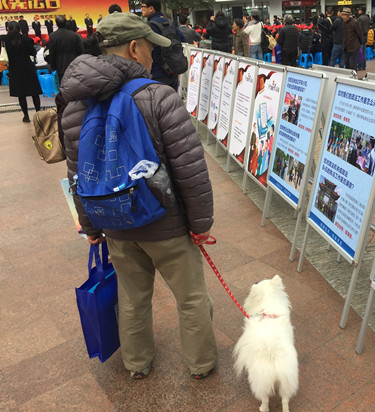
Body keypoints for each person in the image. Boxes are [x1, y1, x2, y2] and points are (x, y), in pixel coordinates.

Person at [60, 11, 218, 381]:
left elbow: (76, 174)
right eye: (149, 48)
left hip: (113, 221)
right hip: (166, 223)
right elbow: (190, 170)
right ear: (134, 48)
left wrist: (90, 225)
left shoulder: (75, 105)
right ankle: (201, 364)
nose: (153, 56)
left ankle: (136, 363)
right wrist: (200, 224)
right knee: (192, 298)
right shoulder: (160, 97)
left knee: (132, 298)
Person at [1, 21, 42, 122]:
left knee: (21, 94)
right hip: (28, 68)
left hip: (15, 69)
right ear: (20, 29)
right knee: (34, 93)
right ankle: (38, 114)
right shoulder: (26, 39)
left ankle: (26, 116)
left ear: (7, 29)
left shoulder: (4, 40)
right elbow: (33, 52)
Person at [141, 0, 186, 91]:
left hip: (156, 73)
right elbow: (183, 40)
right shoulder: (171, 23)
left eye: (143, 6)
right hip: (173, 70)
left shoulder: (148, 27)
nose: (141, 9)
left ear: (151, 8)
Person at [48, 16, 83, 82]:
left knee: (64, 86)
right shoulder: (75, 35)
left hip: (60, 65)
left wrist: (53, 67)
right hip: (75, 64)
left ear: (56, 24)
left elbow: (52, 53)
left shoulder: (53, 36)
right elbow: (81, 50)